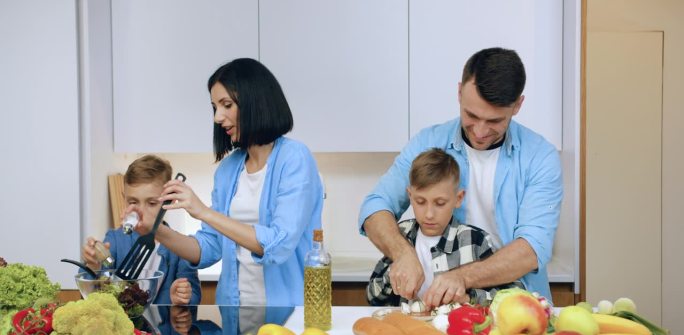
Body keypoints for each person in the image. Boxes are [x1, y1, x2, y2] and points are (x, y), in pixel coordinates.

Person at [359, 47, 562, 307]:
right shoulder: (428, 142)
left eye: (494, 121)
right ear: (459, 92)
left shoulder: (540, 157)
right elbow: (374, 207)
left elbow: (532, 249)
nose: (480, 131)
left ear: (518, 105)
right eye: (471, 115)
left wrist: (461, 278)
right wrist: (402, 254)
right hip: (439, 311)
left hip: (515, 308)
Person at [151, 58, 324, 306]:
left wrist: (204, 212)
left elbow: (279, 243)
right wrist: (157, 231)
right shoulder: (229, 169)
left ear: (255, 101)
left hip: (288, 316)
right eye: (215, 107)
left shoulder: (294, 159)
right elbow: (209, 248)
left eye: (227, 105)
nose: (218, 117)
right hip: (236, 314)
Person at [366, 148, 523, 306]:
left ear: (458, 198)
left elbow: (514, 295)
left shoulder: (474, 240)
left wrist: (469, 298)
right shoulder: (401, 235)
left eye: (440, 203)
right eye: (420, 202)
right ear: (410, 195)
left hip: (455, 330)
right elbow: (372, 296)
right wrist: (393, 275)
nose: (429, 214)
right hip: (408, 328)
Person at [81, 155, 201, 306]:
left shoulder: (181, 248)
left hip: (162, 327)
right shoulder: (115, 240)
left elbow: (195, 294)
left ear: (170, 200)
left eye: (151, 203)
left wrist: (183, 296)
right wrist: (93, 266)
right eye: (133, 202)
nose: (141, 211)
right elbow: (95, 290)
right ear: (124, 199)